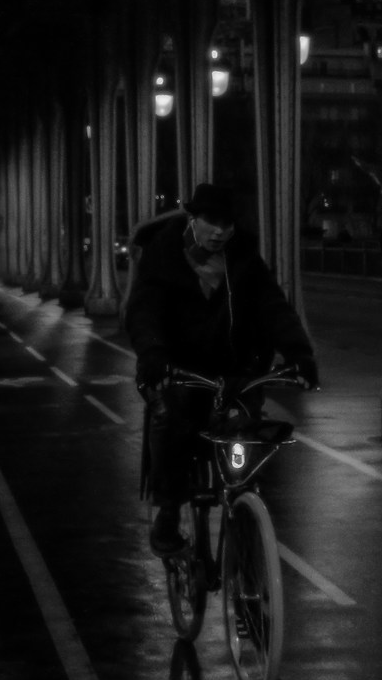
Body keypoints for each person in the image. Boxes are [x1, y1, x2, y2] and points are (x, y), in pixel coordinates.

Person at [125, 182, 319, 554]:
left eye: (227, 224)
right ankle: (168, 509)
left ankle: (245, 507)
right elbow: (144, 309)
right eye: (211, 222)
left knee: (247, 430)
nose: (220, 232)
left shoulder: (242, 255)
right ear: (192, 218)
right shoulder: (163, 252)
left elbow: (271, 304)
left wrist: (299, 353)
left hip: (234, 369)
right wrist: (152, 353)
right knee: (170, 415)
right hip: (179, 366)